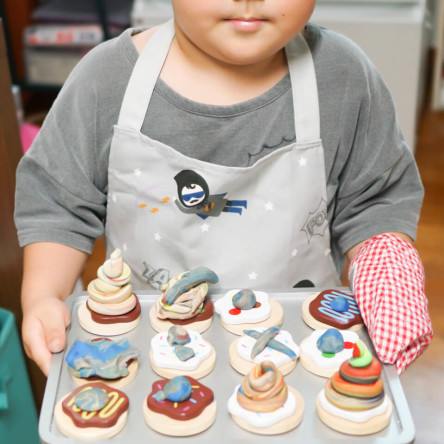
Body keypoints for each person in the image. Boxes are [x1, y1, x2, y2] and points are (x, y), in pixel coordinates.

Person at [15, 0, 432, 377]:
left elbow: (375, 201)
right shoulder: (105, 79)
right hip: (151, 355)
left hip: (302, 355)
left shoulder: (342, 74)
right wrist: (44, 296)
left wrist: (388, 270)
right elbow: (58, 204)